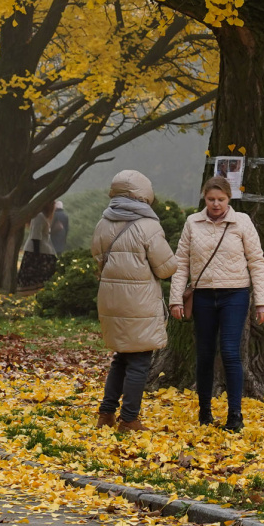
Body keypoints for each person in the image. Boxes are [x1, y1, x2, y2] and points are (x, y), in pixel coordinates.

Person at [169, 176, 264, 432]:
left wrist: (262, 303)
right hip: (203, 295)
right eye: (211, 199)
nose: (216, 204)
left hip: (234, 294)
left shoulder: (242, 222)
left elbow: (257, 262)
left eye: (221, 200)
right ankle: (204, 411)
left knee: (229, 351)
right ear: (204, 198)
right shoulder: (193, 222)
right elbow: (181, 263)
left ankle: (235, 415)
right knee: (204, 353)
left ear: (229, 199)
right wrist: (175, 299)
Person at [91, 171, 177, 432]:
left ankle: (106, 414)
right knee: (139, 361)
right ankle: (129, 419)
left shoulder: (103, 223)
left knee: (121, 358)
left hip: (111, 300)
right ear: (143, 195)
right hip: (138, 302)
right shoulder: (148, 225)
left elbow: (97, 256)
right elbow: (166, 268)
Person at [16, 200, 58, 294]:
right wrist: (36, 255)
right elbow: (36, 236)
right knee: (37, 276)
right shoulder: (39, 216)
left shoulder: (42, 216)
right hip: (38, 251)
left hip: (42, 250)